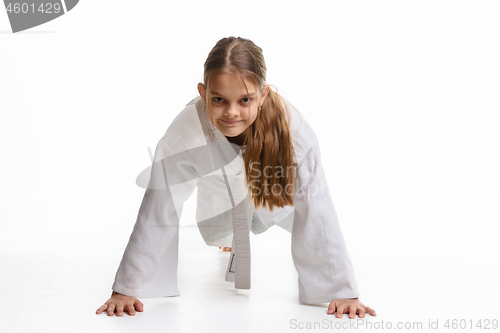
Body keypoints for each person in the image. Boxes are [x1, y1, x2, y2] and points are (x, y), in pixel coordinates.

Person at [96, 36, 376, 319]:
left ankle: (242, 225)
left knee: (298, 208)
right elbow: (159, 207)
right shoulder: (185, 135)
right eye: (219, 99)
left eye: (245, 100)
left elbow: (318, 209)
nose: (231, 111)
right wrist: (128, 287)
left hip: (271, 183)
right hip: (216, 181)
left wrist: (342, 291)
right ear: (203, 94)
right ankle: (226, 233)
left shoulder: (295, 133)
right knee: (219, 214)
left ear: (263, 95)